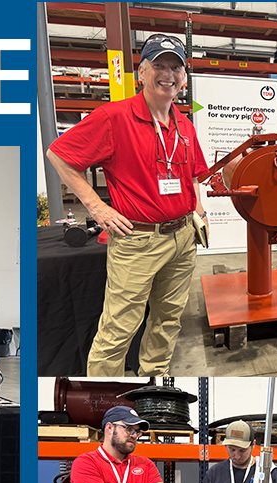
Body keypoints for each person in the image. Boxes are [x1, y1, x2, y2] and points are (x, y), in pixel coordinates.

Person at [46, 35, 208, 377]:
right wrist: (97, 207)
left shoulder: (184, 125)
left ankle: (153, 382)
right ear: (141, 73)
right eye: (159, 66)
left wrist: (198, 210)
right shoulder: (114, 117)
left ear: (185, 77)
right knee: (119, 328)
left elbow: (193, 174)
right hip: (138, 241)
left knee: (167, 320)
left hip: (182, 238)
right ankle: (104, 399)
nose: (168, 74)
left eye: (176, 67)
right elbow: (58, 154)